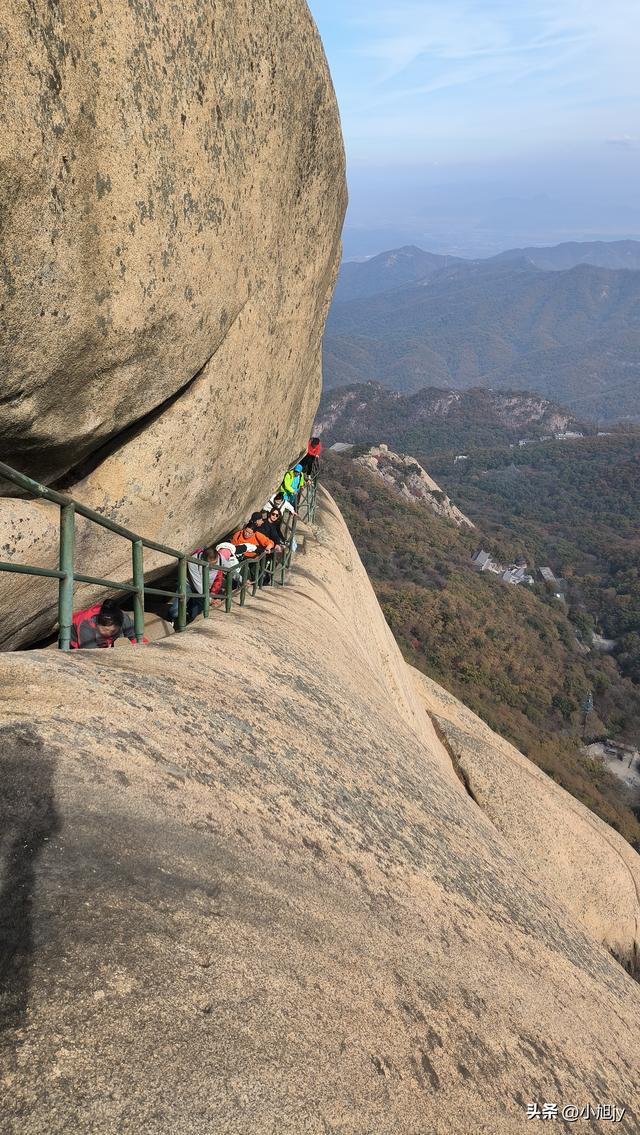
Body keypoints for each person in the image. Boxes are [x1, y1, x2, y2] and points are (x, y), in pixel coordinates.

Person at [70, 599, 148, 649]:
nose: (108, 633)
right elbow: (89, 653)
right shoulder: (86, 624)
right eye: (105, 629)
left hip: (100, 641)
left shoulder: (124, 619)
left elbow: (137, 638)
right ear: (97, 624)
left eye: (113, 631)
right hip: (73, 638)